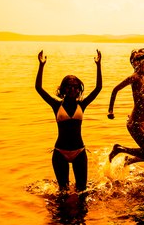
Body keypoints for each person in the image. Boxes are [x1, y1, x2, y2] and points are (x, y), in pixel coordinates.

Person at [35, 49, 102, 192]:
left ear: (79, 89)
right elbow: (38, 88)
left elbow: (98, 88)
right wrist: (41, 66)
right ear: (63, 89)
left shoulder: (81, 105)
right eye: (69, 87)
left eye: (76, 87)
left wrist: (98, 65)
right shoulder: (56, 105)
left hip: (79, 151)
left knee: (82, 192)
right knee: (63, 193)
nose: (73, 89)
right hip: (60, 152)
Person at [107, 48, 144, 165]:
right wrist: (110, 110)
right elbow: (115, 89)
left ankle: (129, 160)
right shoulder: (135, 77)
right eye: (138, 61)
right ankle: (120, 149)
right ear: (134, 64)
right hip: (135, 124)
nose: (142, 63)